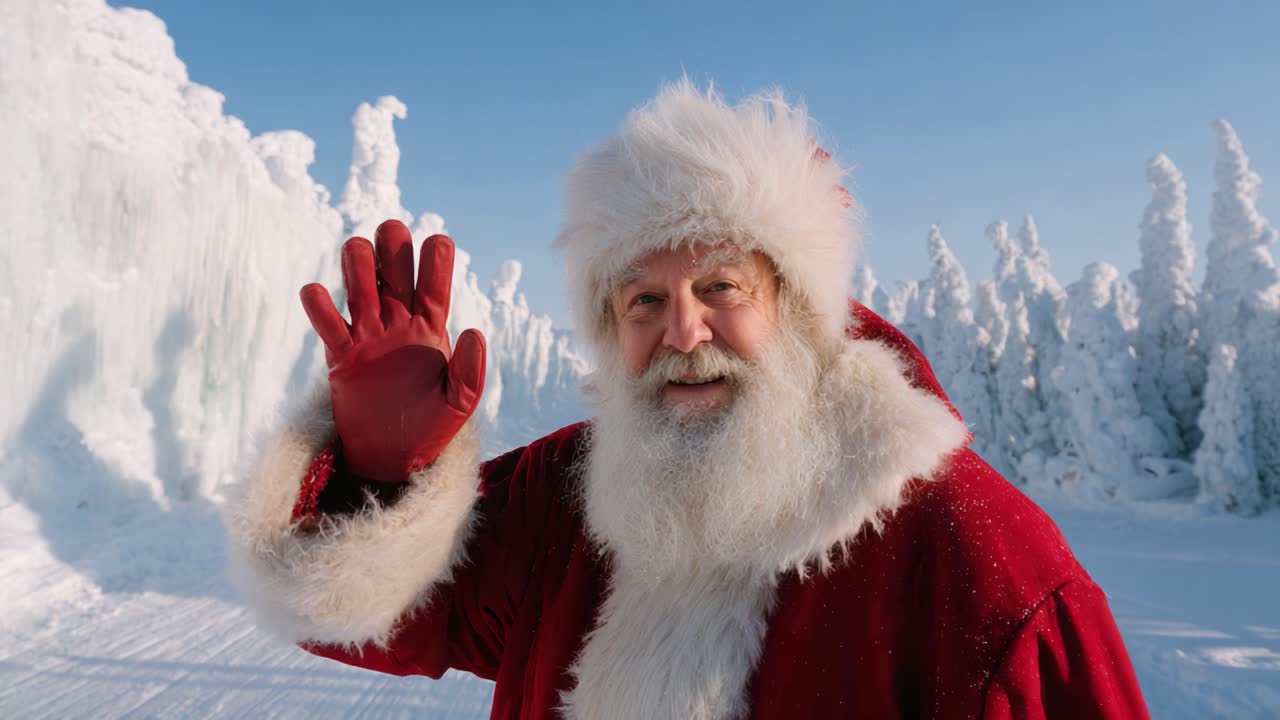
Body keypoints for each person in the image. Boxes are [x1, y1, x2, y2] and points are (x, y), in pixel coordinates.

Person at [226, 80, 1150, 719]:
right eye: (643, 301)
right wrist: (386, 475)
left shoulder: (966, 548)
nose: (683, 331)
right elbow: (385, 618)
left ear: (796, 302)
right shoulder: (573, 491)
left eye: (720, 287)